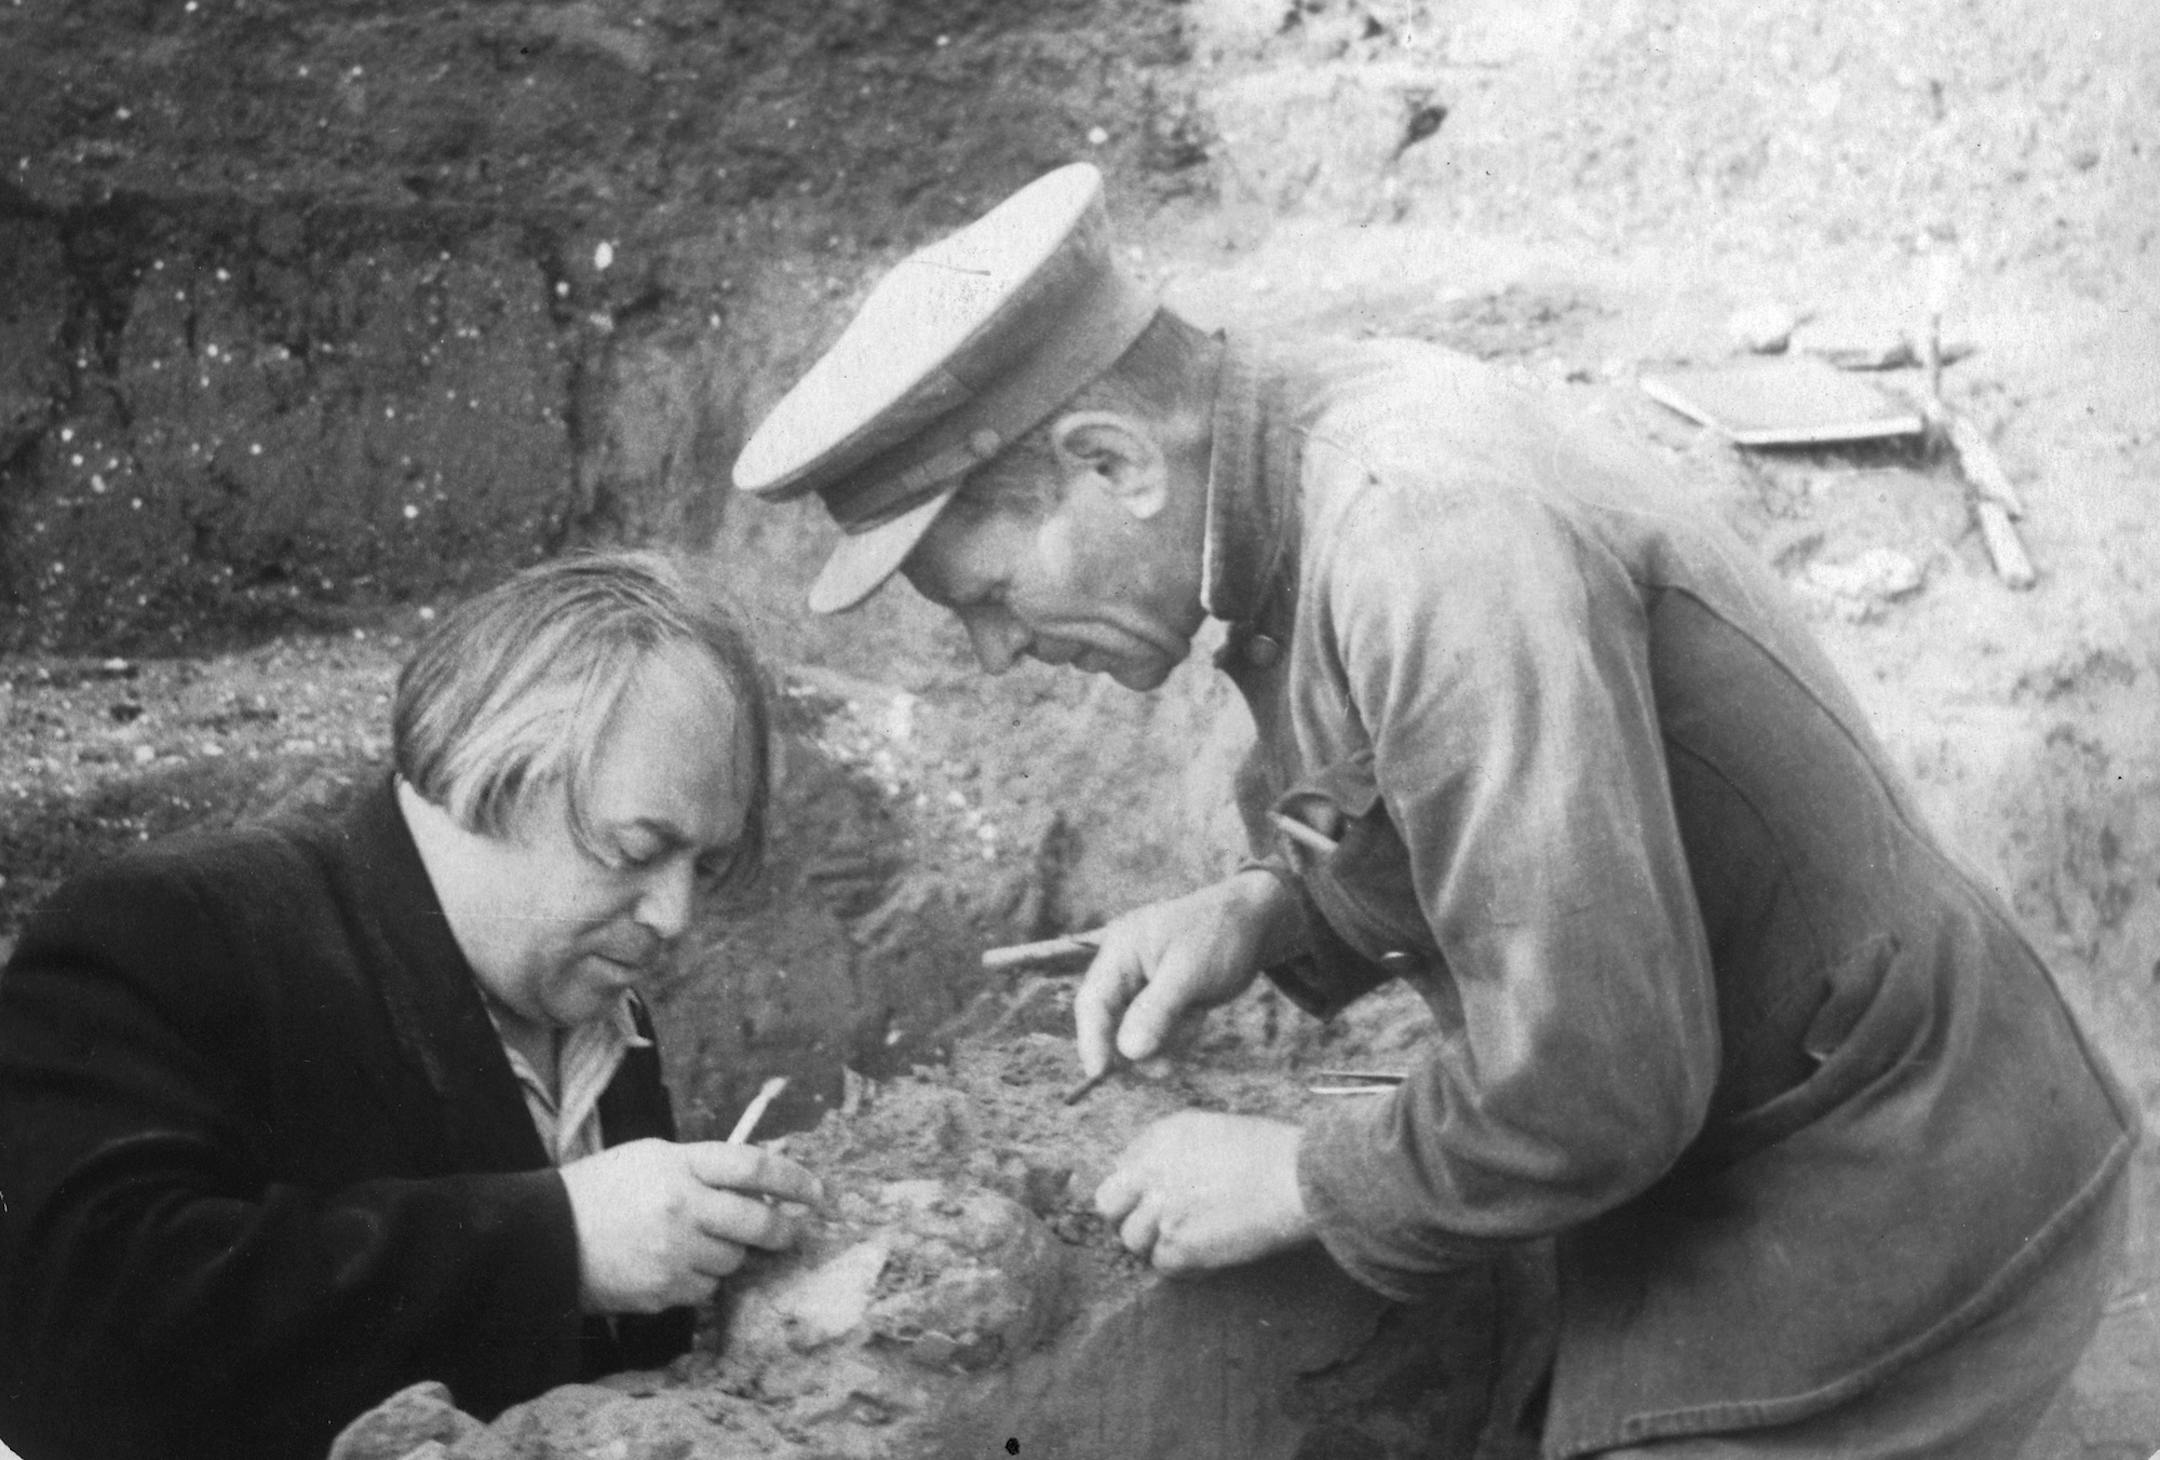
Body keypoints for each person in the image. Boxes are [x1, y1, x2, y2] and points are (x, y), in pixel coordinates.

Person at [731, 163, 2137, 1458]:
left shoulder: (1426, 528)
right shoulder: (1295, 443)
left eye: (988, 596)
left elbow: (1600, 1084)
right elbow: (1487, 794)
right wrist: (1272, 910)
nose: (992, 648)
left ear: (1112, 463)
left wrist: (1301, 1179)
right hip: (1810, 1144)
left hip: (1886, 1204)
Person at [0, 550, 822, 1460]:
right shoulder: (175, 933)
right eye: (637, 849)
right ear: (493, 768)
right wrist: (562, 1242)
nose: (675, 916)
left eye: (703, 868)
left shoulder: (590, 998)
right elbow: (71, 1344)